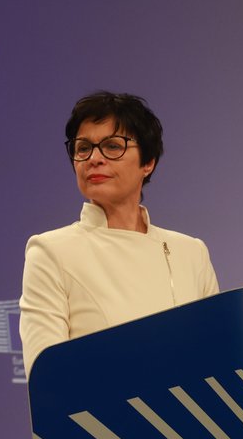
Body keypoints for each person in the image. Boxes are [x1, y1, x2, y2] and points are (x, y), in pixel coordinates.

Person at [18, 91, 218, 376]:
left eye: (113, 146)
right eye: (83, 148)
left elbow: (217, 360)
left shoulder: (191, 252)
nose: (94, 158)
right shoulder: (50, 251)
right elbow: (47, 379)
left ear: (148, 162)